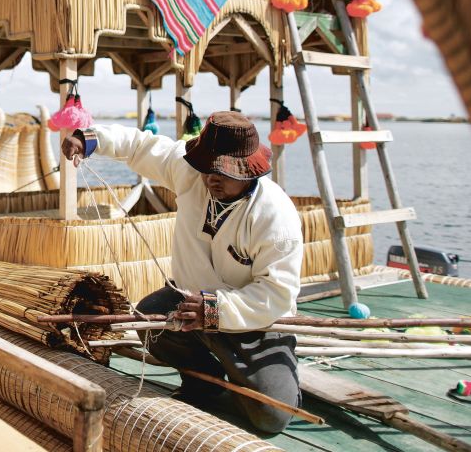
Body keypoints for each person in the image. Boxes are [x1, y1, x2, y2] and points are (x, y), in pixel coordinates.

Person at [61, 111, 303, 434]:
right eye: (206, 168)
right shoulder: (191, 171)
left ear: (248, 171)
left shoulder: (276, 217)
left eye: (221, 171)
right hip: (187, 303)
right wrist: (89, 139)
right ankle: (205, 382)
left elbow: (277, 294)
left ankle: (264, 377)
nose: (210, 178)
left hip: (253, 322)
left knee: (272, 415)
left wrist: (216, 310)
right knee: (148, 320)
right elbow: (140, 147)